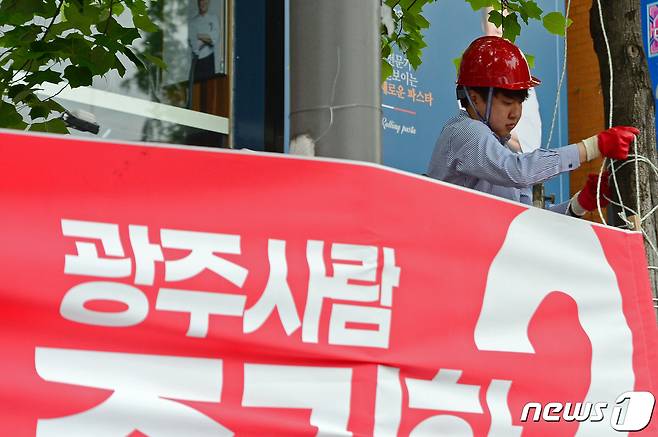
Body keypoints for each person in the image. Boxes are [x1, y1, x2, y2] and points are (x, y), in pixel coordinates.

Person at [427, 36, 638, 216]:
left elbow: (527, 223)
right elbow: (517, 171)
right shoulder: (466, 131)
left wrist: (579, 204)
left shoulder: (502, 150)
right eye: (507, 102)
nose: (516, 113)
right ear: (474, 98)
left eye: (520, 102)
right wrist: (593, 147)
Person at [188, 0, 220, 82]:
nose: (203, 4)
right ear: (198, 3)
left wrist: (199, 35)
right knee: (196, 88)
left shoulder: (213, 18)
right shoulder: (193, 22)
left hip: (209, 59)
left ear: (208, 2)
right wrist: (206, 37)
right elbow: (193, 42)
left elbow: (213, 39)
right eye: (201, 1)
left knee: (210, 87)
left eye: (205, 1)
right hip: (197, 60)